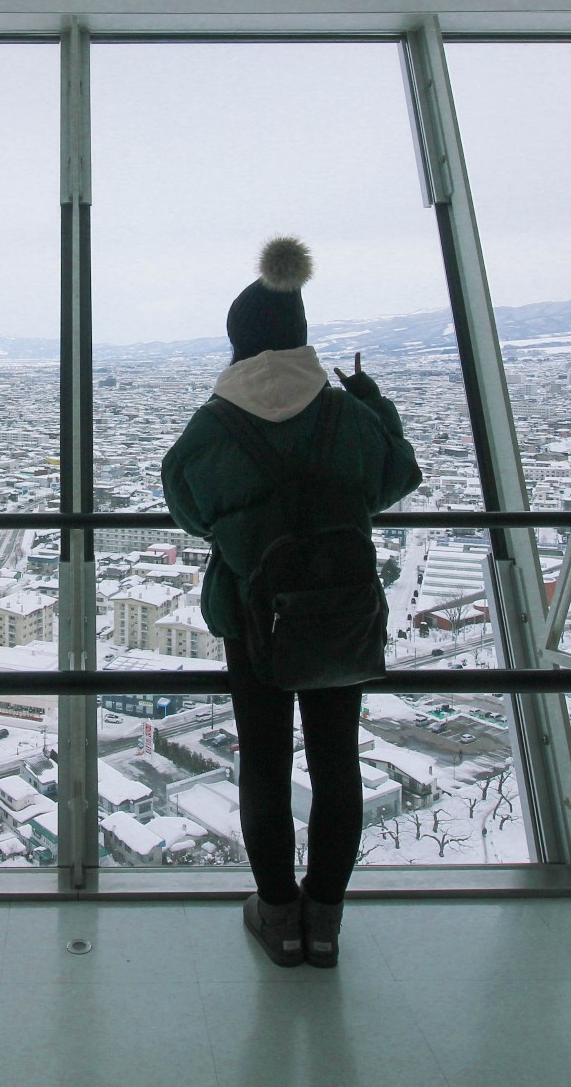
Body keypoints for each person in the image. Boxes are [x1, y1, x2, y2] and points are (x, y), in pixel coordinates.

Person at [160, 236, 421, 968]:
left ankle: (277, 914)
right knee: (338, 763)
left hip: (254, 615)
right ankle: (325, 920)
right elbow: (397, 476)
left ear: (239, 344)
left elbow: (186, 503)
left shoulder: (215, 424)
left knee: (264, 763)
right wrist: (376, 404)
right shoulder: (345, 415)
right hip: (340, 607)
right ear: (302, 339)